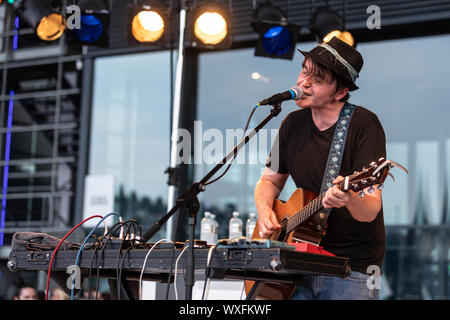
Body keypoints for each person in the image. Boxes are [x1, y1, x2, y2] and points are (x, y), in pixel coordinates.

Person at [255, 37, 386, 300]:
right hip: (295, 264)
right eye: (305, 70)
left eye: (318, 78)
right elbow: (268, 182)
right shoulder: (292, 124)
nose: (304, 82)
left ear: (339, 92)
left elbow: (370, 209)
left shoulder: (364, 124)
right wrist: (265, 212)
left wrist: (349, 198)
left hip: (349, 269)